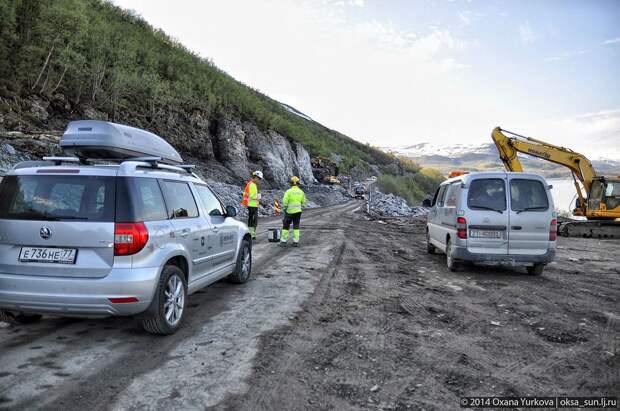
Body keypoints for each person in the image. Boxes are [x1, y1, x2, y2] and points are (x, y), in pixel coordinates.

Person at [280, 176, 307, 247]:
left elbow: (285, 201)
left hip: (289, 212)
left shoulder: (288, 191)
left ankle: (283, 241)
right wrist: (301, 208)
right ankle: (295, 242)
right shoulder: (301, 192)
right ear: (298, 183)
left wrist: (285, 208)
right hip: (298, 212)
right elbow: (304, 203)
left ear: (291, 183)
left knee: (286, 226)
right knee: (296, 226)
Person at [241, 170, 263, 240]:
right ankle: (251, 234)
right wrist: (258, 197)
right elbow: (251, 196)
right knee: (252, 220)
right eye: (259, 179)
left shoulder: (253, 184)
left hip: (253, 205)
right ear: (256, 177)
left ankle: (252, 233)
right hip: (251, 205)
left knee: (253, 220)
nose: (259, 180)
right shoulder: (251, 184)